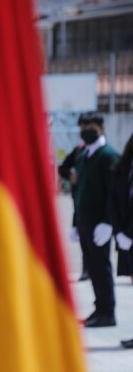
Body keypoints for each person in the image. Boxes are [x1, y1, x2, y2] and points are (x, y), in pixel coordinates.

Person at [73, 112, 121, 327]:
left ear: (101, 127)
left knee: (101, 266)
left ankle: (107, 312)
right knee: (92, 267)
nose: (85, 131)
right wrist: (75, 221)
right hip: (85, 221)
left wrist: (108, 222)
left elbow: (114, 192)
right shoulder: (84, 156)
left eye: (89, 126)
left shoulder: (108, 155)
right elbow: (80, 191)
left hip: (100, 224)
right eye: (82, 127)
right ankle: (99, 308)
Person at [59, 115, 91, 281]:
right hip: (79, 200)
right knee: (83, 236)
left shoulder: (103, 150)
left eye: (85, 127)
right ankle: (87, 269)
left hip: (96, 202)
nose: (82, 132)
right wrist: (70, 175)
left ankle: (95, 269)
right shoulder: (79, 151)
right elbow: (62, 168)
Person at [110, 134, 133, 347]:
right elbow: (114, 201)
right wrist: (119, 232)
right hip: (126, 237)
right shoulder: (123, 169)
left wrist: (129, 233)